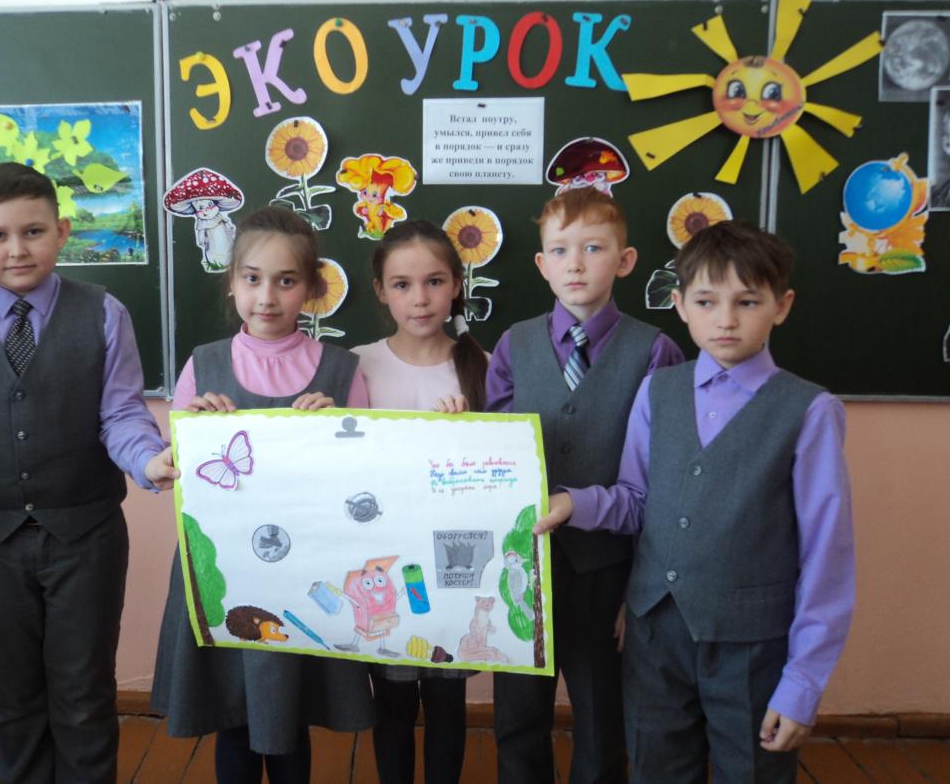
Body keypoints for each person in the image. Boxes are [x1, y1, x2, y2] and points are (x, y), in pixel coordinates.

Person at [536, 219, 855, 783]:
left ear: (781, 306)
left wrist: (803, 683)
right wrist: (573, 504)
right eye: (707, 301)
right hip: (656, 636)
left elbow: (827, 557)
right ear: (681, 305)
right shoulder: (658, 391)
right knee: (656, 768)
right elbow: (635, 500)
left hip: (752, 646)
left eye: (747, 302)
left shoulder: (809, 411)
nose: (725, 319)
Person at [0, 162, 172, 783]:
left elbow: (121, 411)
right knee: (14, 698)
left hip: (86, 540)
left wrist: (148, 459)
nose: (17, 249)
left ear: (61, 231)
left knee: (84, 696)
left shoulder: (104, 312)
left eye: (33, 231)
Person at [151, 205, 374, 784]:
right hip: (225, 571)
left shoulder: (341, 371)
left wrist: (340, 430)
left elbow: (364, 487)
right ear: (232, 282)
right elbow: (176, 467)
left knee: (291, 712)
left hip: (306, 574)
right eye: (252, 278)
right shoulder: (204, 366)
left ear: (313, 288)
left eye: (286, 280)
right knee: (232, 712)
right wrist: (193, 430)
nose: (267, 297)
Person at [486, 187, 684, 784]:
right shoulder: (513, 345)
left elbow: (665, 486)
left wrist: (640, 592)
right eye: (560, 250)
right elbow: (495, 455)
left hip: (608, 569)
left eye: (593, 248)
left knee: (601, 715)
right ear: (542, 264)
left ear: (625, 261)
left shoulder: (656, 351)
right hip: (522, 565)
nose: (575, 263)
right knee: (517, 713)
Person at [351, 220, 490, 784]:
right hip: (382, 562)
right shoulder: (355, 364)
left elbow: (499, 473)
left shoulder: (482, 365)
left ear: (456, 284)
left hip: (454, 563)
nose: (420, 299)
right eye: (402, 285)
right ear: (381, 290)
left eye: (434, 282)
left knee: (447, 702)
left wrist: (467, 440)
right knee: (391, 704)